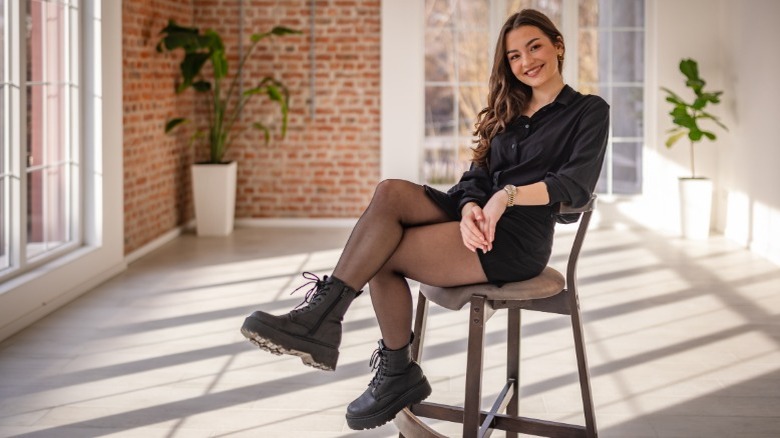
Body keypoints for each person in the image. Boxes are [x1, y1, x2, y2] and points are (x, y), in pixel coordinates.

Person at [240, 8, 609, 431]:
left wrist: (504, 198)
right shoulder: (508, 108)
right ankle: (331, 321)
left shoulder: (588, 111)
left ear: (557, 45)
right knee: (391, 193)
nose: (526, 61)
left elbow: (573, 186)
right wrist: (472, 206)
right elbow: (475, 177)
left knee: (380, 251)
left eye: (534, 47)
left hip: (516, 240)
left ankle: (379, 359)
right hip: (476, 217)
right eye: (513, 56)